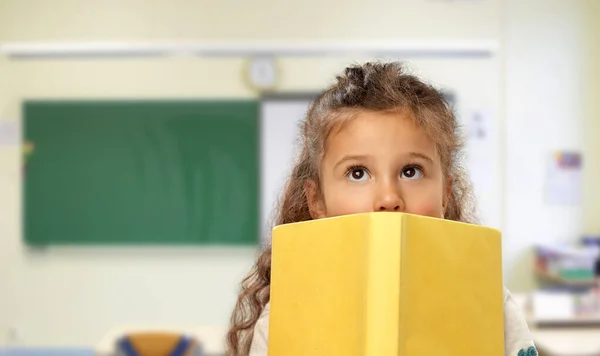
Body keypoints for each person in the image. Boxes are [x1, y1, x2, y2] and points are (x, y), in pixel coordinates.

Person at [226, 61, 537, 356]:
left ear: (445, 193)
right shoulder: (286, 313)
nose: (388, 197)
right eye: (358, 173)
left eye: (411, 170)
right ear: (316, 200)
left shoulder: (490, 303)